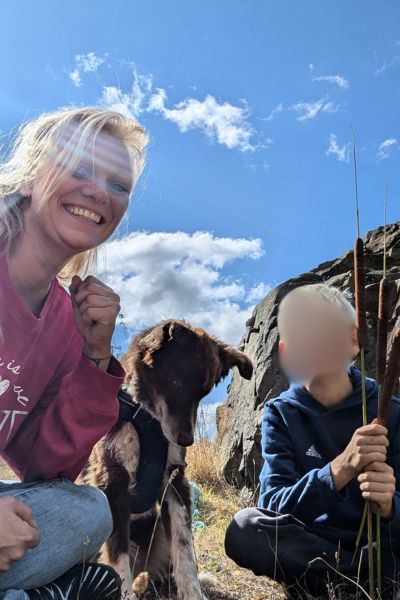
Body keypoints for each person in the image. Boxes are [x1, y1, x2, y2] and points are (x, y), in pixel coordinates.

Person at [0, 107, 148, 599]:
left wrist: (94, 356)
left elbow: (46, 469)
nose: (99, 192)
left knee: (89, 511)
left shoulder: (68, 320)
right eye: (79, 168)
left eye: (118, 185)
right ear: (29, 177)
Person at [225, 284, 400, 599]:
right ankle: (357, 583)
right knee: (244, 528)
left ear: (353, 342)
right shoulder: (280, 414)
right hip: (313, 544)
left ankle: (342, 581)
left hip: (378, 546)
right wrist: (340, 468)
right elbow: (273, 504)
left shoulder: (392, 410)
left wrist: (390, 507)